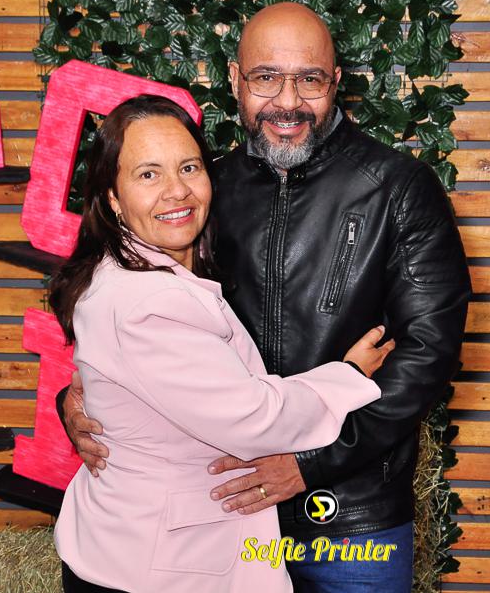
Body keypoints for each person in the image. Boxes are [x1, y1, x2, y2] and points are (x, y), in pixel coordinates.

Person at [60, 2, 472, 593]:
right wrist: (81, 402)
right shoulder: (200, 189)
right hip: (222, 514)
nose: (288, 101)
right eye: (266, 78)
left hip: (349, 516)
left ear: (336, 81)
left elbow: (428, 351)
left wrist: (310, 465)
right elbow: (136, 325)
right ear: (235, 80)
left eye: (309, 80)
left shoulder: (398, 189)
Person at [47, 94, 394, 593]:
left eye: (188, 167)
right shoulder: (147, 301)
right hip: (157, 569)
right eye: (148, 174)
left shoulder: (130, 267)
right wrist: (349, 377)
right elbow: (253, 419)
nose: (176, 191)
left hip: (134, 547)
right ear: (113, 198)